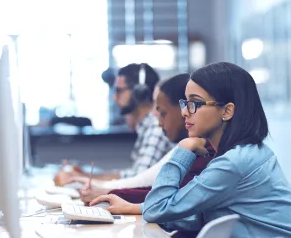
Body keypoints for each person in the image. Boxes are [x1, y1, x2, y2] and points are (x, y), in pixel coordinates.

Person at [137, 62, 291, 238]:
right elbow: (207, 215)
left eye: (194, 103)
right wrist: (138, 208)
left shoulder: (233, 164)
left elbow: (157, 209)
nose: (185, 112)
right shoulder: (249, 152)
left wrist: (182, 150)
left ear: (227, 111)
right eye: (185, 103)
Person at [85, 74, 212, 208]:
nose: (185, 112)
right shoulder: (198, 148)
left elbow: (165, 202)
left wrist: (109, 194)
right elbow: (165, 200)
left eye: (162, 112)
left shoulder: (210, 155)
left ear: (226, 111)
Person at [54, 63, 174, 183]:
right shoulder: (147, 128)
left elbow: (138, 181)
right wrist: (85, 175)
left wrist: (84, 178)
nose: (114, 98)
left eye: (119, 91)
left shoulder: (156, 129)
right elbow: (131, 175)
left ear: (139, 92)